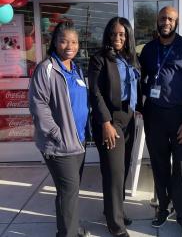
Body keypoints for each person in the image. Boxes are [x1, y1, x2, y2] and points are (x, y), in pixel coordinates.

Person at [139, 6, 182, 237]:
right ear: (157, 21)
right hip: (154, 115)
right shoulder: (148, 49)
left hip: (181, 116)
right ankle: (164, 207)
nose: (166, 22)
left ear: (176, 23)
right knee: (159, 165)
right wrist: (139, 106)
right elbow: (141, 79)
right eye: (163, 18)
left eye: (171, 19)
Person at [29, 21, 90, 237]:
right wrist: (57, 134)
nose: (69, 46)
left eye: (73, 41)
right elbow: (38, 106)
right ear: (55, 42)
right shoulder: (46, 69)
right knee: (69, 191)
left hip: (78, 141)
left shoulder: (77, 68)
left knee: (68, 192)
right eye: (64, 41)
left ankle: (68, 229)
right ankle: (69, 233)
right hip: (60, 144)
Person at [88, 17, 142, 237]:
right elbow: (95, 92)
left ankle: (114, 211)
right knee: (114, 173)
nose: (117, 38)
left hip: (128, 118)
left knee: (121, 170)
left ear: (128, 36)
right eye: (113, 34)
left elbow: (136, 85)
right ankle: (116, 226)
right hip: (110, 120)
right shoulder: (99, 59)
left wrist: (138, 107)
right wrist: (106, 122)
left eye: (121, 34)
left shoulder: (131, 59)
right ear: (107, 36)